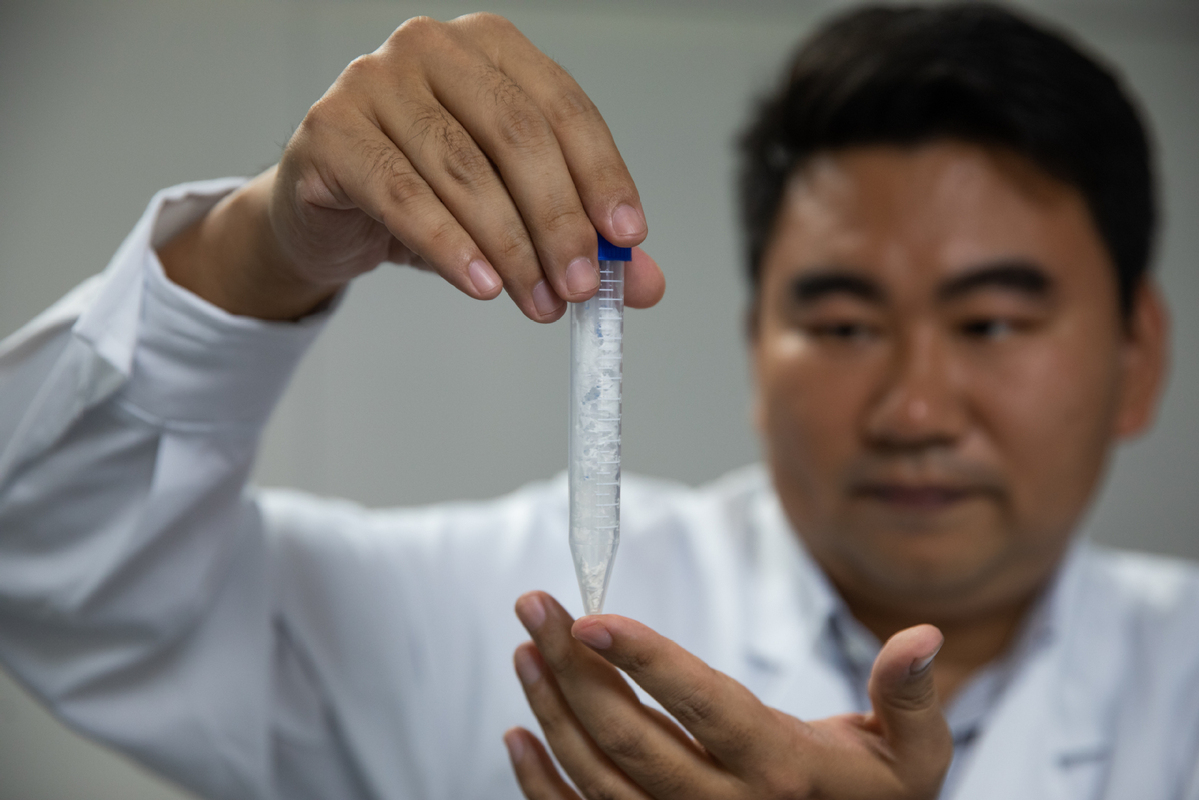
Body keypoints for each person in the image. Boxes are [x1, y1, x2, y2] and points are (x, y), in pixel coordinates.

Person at [0, 3, 1195, 799]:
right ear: (754, 347)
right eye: (841, 324)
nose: (914, 409)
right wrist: (263, 248)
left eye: (990, 323)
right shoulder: (489, 615)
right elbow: (51, 567)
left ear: (1134, 356)